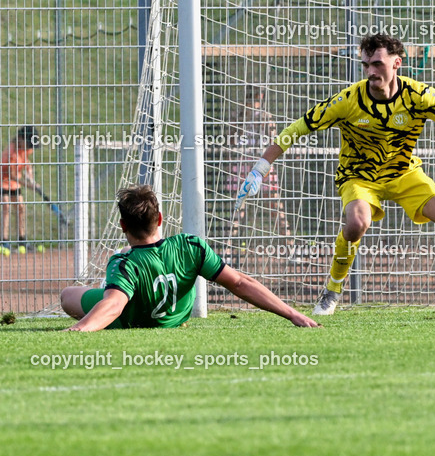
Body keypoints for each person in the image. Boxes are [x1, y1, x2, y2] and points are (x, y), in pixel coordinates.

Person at [235, 33, 435, 316]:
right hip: (359, 177)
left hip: (405, 174)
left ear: (397, 63)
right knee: (356, 223)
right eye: (366, 65)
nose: (370, 71)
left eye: (377, 63)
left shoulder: (418, 96)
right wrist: (261, 168)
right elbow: (297, 128)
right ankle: (332, 290)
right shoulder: (348, 100)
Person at [61, 184, 319, 330]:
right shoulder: (190, 246)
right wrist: (291, 313)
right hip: (175, 318)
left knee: (68, 296)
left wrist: (78, 329)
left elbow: (115, 306)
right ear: (160, 219)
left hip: (132, 320)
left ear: (123, 226)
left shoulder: (124, 263)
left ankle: (111, 293)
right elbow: (240, 283)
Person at [225, 87, 291, 238]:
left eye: (258, 99)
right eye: (253, 98)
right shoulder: (238, 116)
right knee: (238, 209)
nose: (255, 102)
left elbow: (275, 139)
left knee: (276, 208)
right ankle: (226, 249)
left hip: (262, 164)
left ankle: (290, 245)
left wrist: (265, 124)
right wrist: (241, 123)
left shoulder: (266, 116)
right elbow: (229, 140)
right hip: (243, 165)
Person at [0, 126, 40, 251]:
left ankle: (22, 240)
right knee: (6, 206)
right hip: (3, 181)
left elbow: (27, 163)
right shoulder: (10, 153)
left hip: (15, 183)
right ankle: (4, 241)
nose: (29, 147)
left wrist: (31, 178)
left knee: (20, 207)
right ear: (20, 139)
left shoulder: (25, 149)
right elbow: (11, 175)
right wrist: (29, 185)